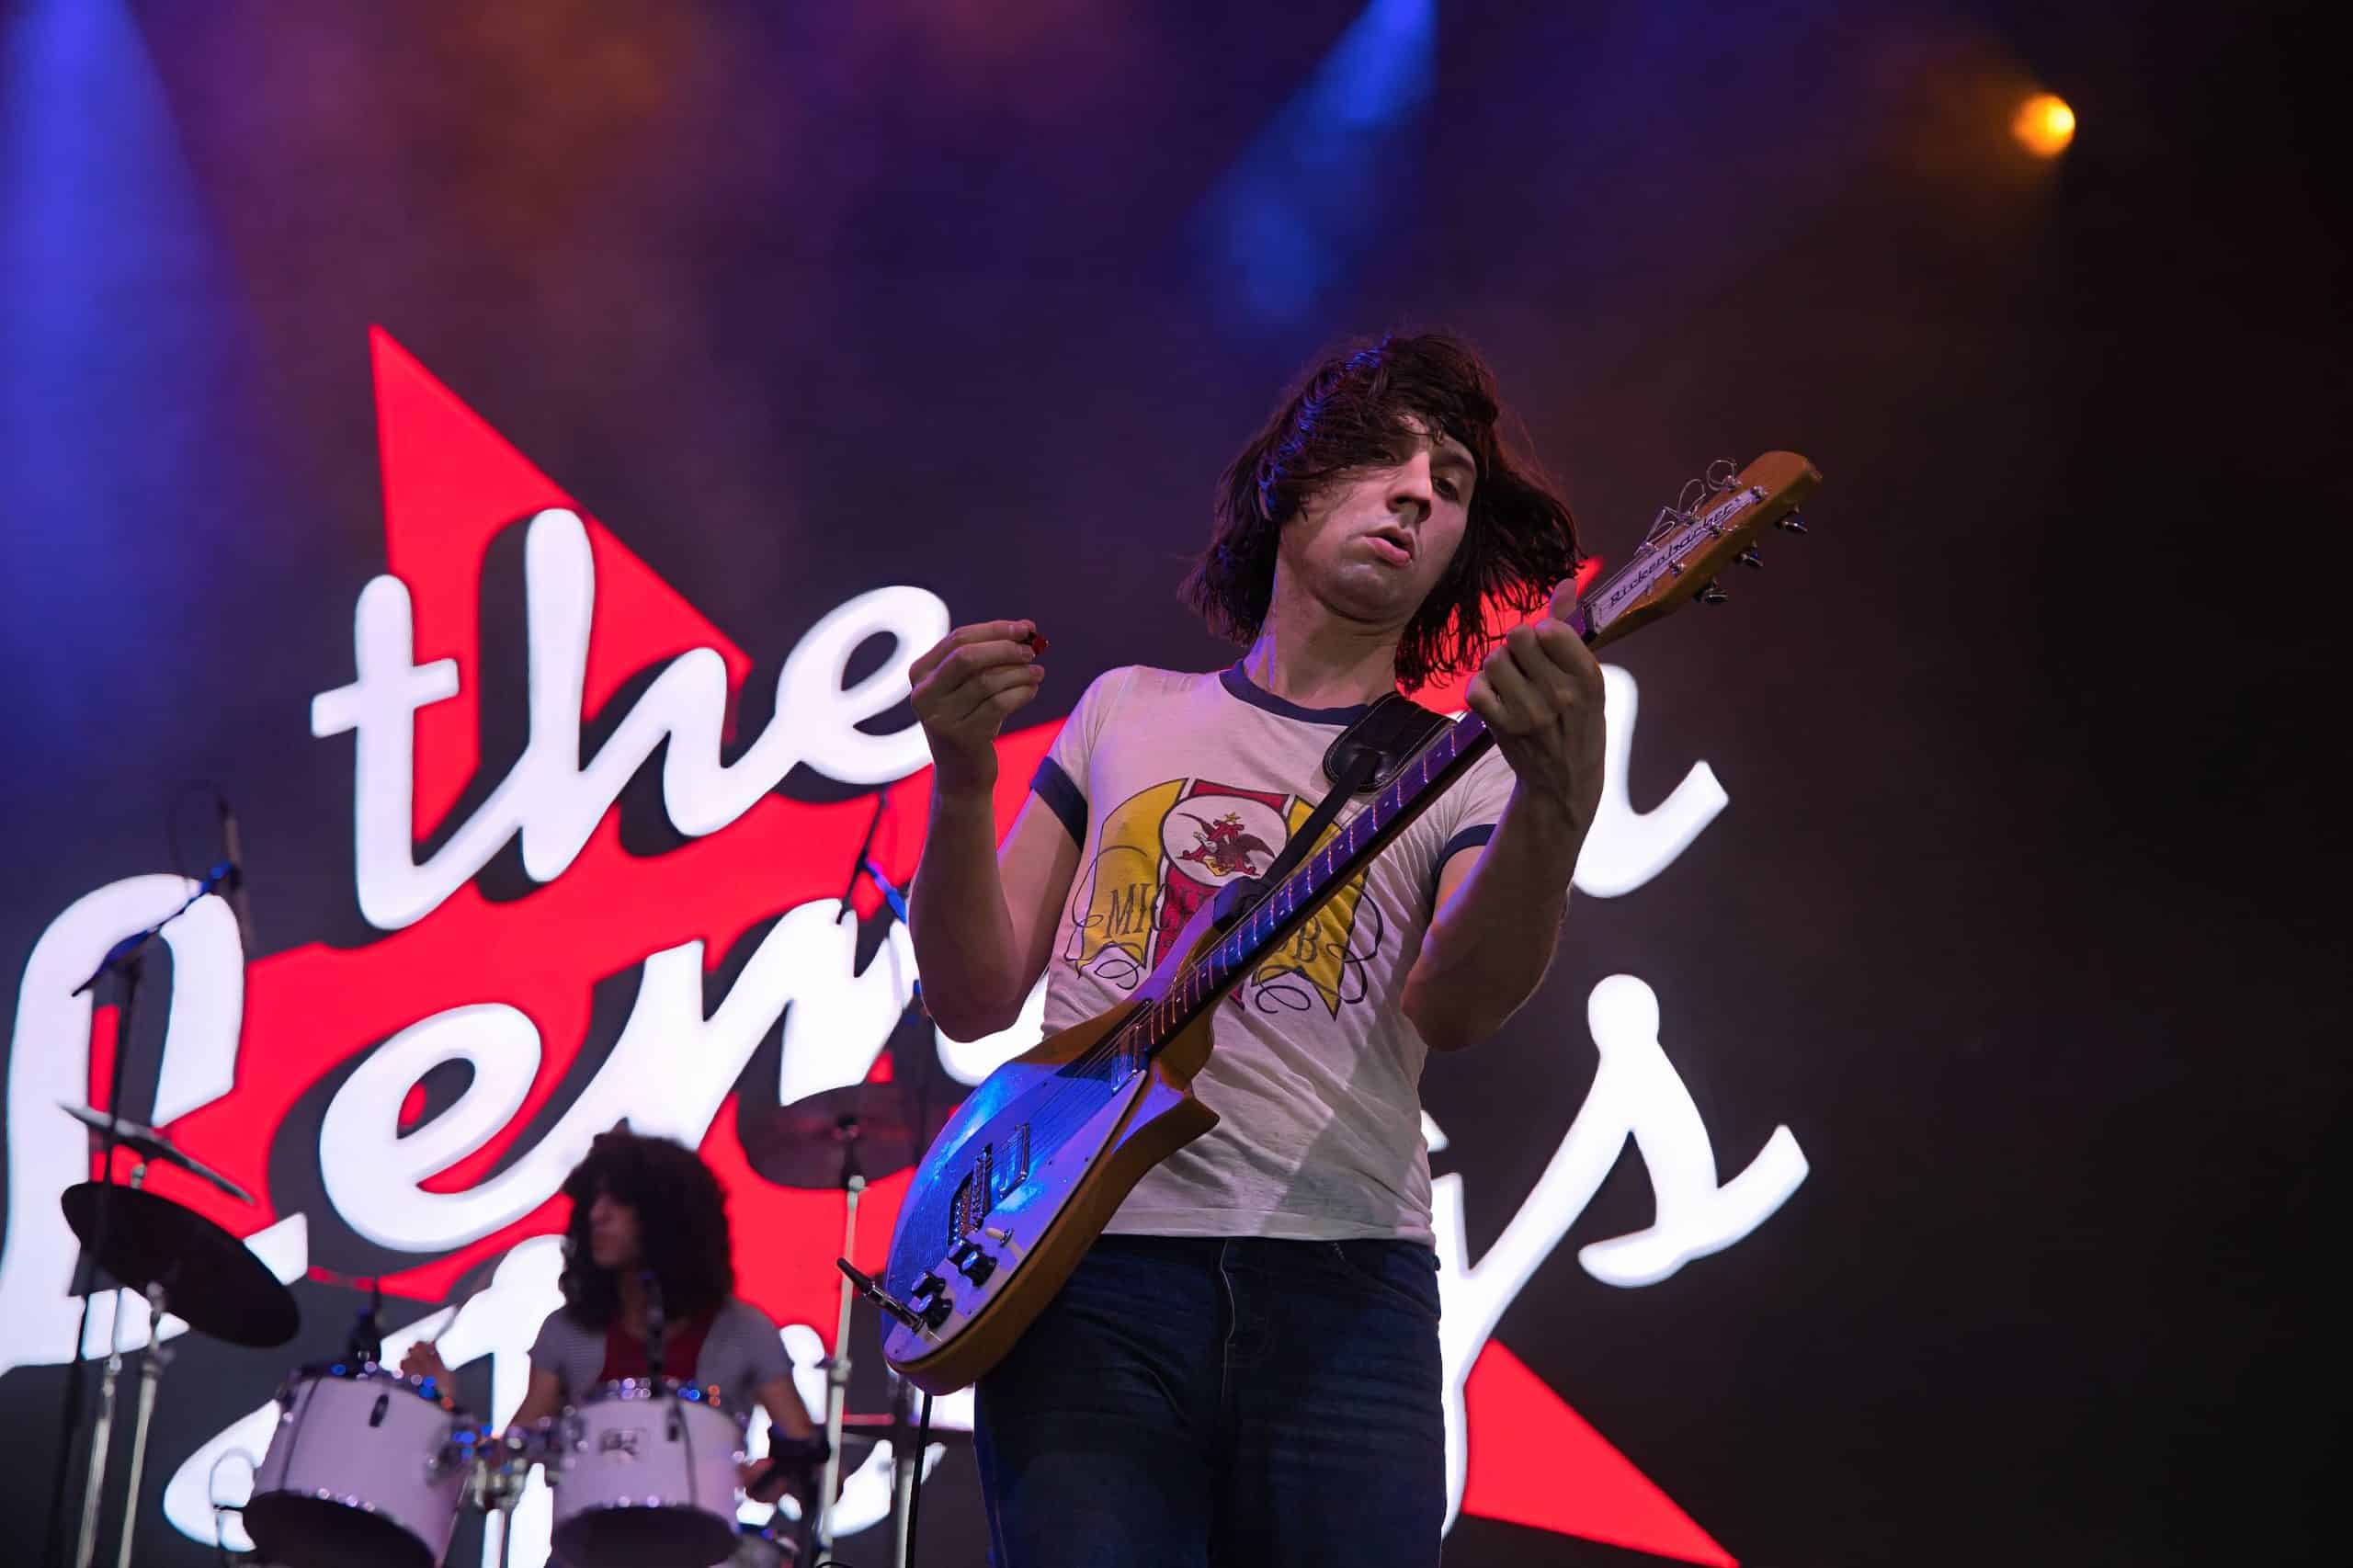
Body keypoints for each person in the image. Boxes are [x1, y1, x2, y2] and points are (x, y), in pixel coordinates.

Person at [905, 333, 1605, 1567]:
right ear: (1292, 482)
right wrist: (962, 784)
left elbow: (1458, 1004)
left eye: (1449, 481)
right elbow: (970, 999)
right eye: (1382, 457)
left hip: (1344, 1287)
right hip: (1087, 1276)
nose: (1417, 492)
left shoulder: (1462, 765)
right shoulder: (1127, 707)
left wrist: (1556, 804)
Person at [404, 1127, 824, 1505]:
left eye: (617, 1202)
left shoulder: (744, 1331)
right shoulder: (566, 1332)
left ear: (669, 1218)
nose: (596, 1215)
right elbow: (503, 1469)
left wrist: (778, 1474)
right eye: (593, 1201)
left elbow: (819, 1477)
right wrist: (446, 1406)